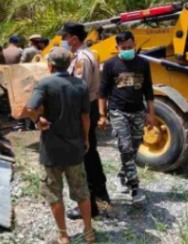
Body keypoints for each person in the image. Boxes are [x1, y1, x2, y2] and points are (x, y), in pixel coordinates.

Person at [26, 47, 95, 244]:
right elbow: (85, 117)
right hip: (74, 148)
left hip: (51, 150)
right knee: (82, 191)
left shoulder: (45, 84)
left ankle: (63, 234)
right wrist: (86, 138)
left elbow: (30, 108)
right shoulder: (80, 85)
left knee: (54, 194)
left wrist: (38, 120)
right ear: (69, 64)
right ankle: (88, 231)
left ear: (50, 65)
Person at [61, 22, 111, 220]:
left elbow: (78, 89)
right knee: (91, 154)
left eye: (65, 37)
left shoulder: (81, 58)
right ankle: (101, 194)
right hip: (88, 108)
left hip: (82, 110)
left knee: (82, 157)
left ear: (73, 38)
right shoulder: (89, 54)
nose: (64, 41)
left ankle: (89, 206)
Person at [99, 31, 155, 204]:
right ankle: (135, 188)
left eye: (130, 47)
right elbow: (103, 92)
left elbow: (148, 90)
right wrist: (102, 115)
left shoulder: (143, 64)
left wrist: (151, 113)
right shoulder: (110, 65)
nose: (128, 50)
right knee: (125, 147)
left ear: (135, 44)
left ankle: (122, 175)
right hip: (118, 111)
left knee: (134, 147)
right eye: (124, 48)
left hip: (138, 111)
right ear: (117, 48)